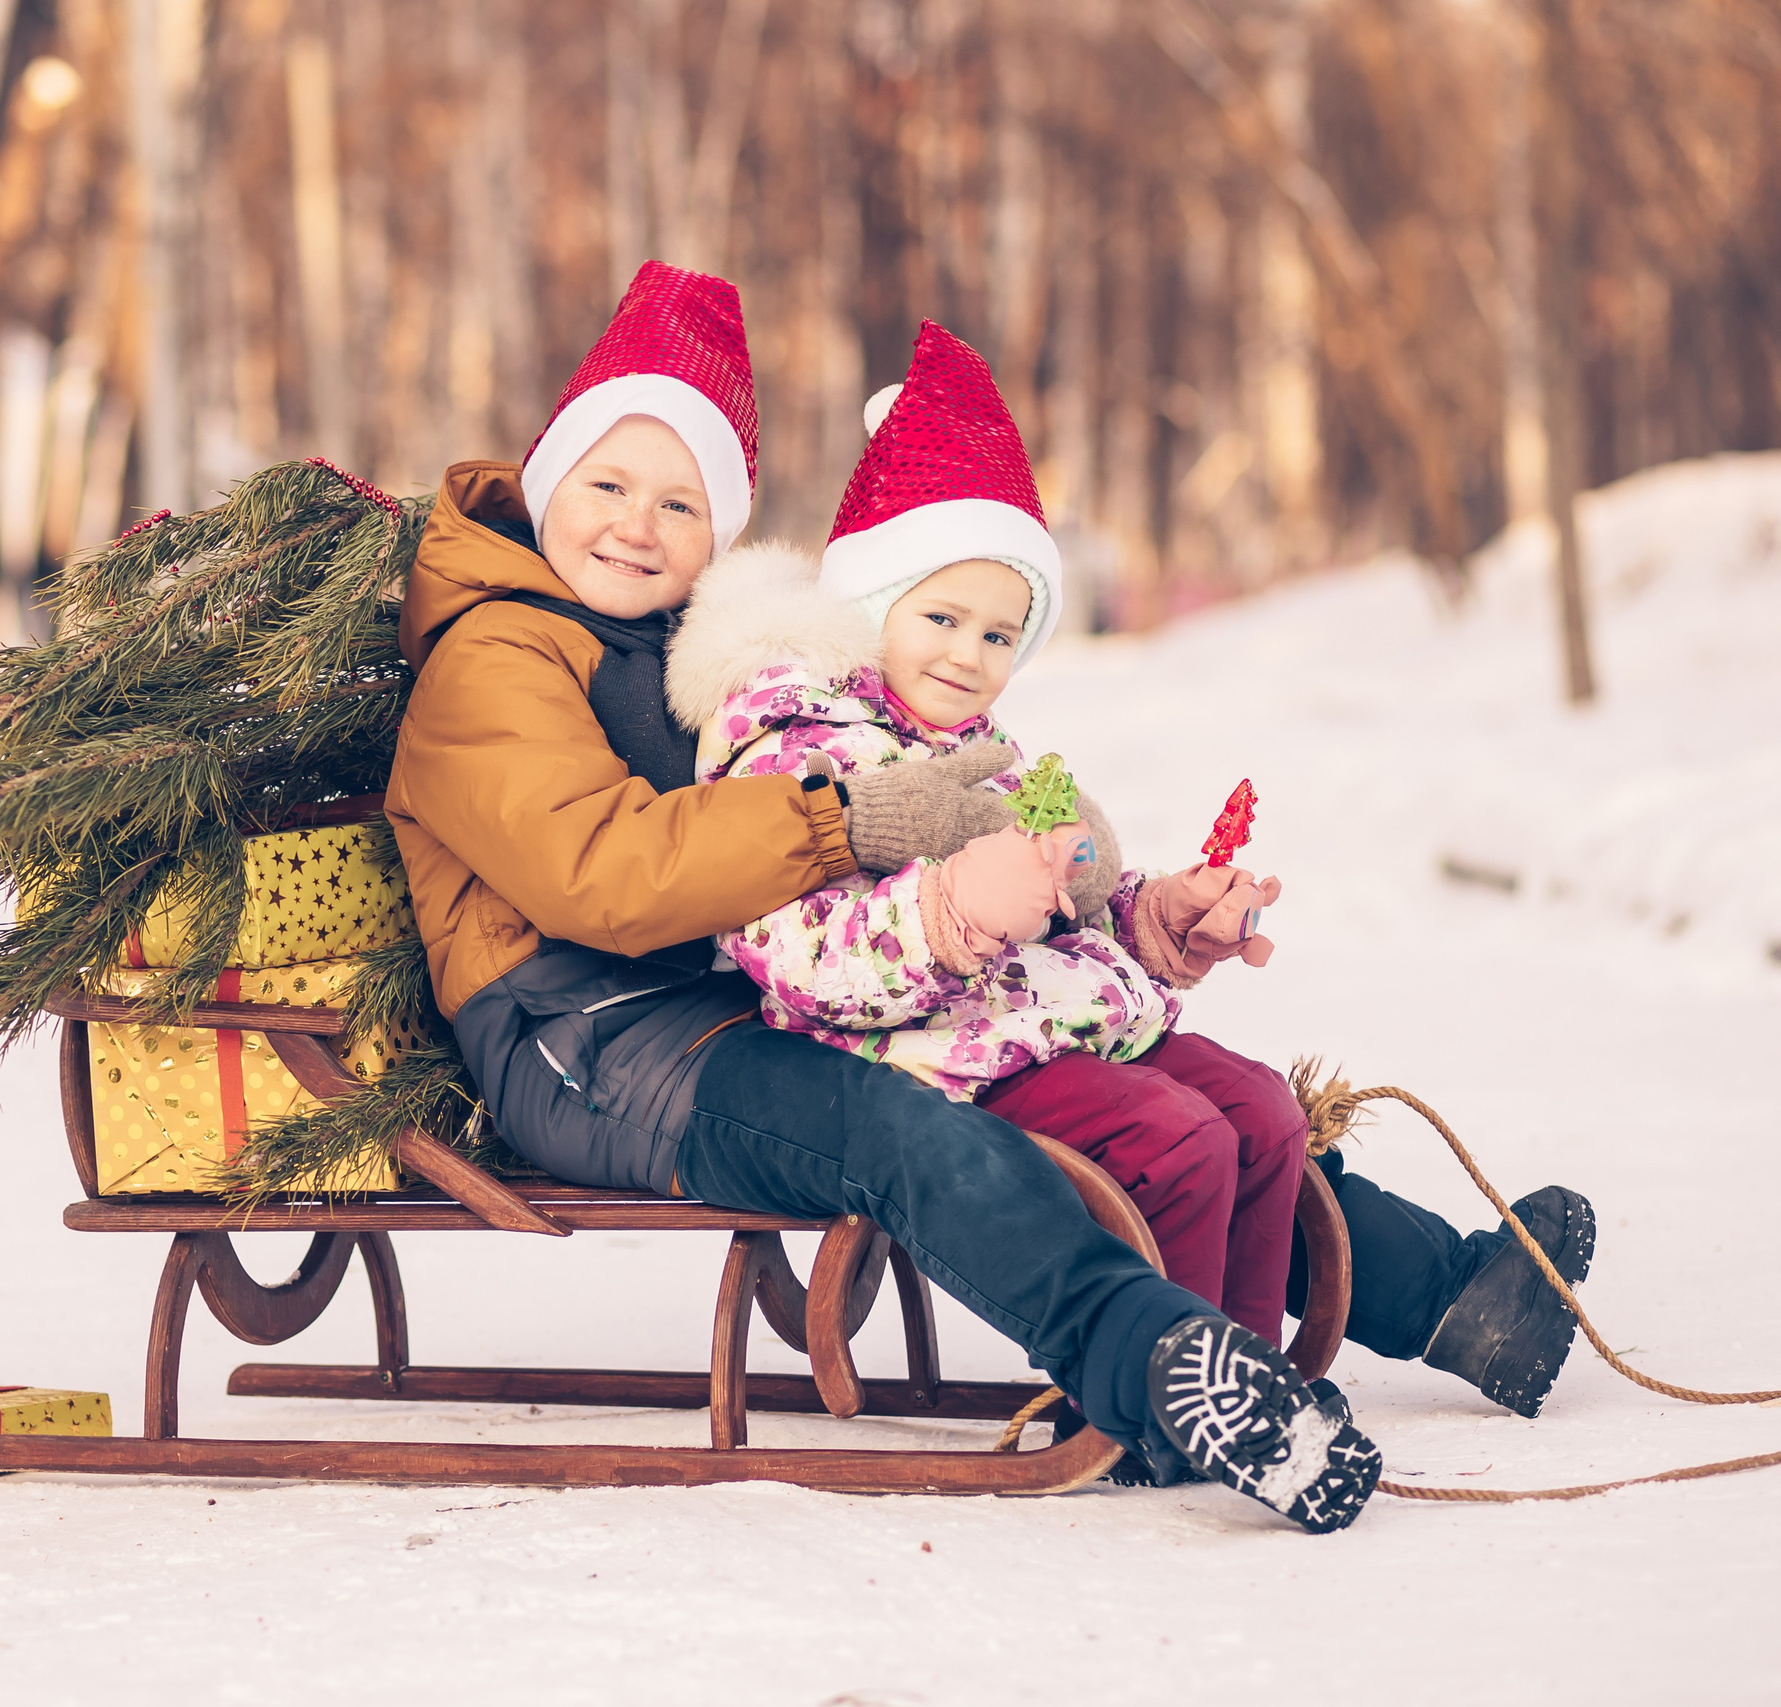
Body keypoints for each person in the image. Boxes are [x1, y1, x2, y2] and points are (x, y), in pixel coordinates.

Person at [383, 261, 1382, 1530]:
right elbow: (601, 872)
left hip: (712, 998)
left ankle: (1322, 1326)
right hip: (577, 1036)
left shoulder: (657, 635)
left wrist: (1113, 901)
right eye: (609, 485)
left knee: (1123, 1105)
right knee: (903, 1130)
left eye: (682, 503)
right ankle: (1155, 1363)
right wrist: (848, 822)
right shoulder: (492, 654)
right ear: (547, 481)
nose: (638, 526)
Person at [662, 317, 1597, 1439]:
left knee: (1258, 1108)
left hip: (1038, 1023)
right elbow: (798, 948)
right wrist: (953, 916)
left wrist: (1159, 915)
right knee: (1177, 1137)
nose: (967, 653)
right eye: (941, 617)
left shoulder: (990, 746)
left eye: (999, 635)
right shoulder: (798, 742)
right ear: (870, 604)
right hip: (917, 1054)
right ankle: (1174, 1404)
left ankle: (1250, 1380)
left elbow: (1079, 890)